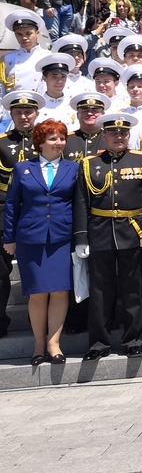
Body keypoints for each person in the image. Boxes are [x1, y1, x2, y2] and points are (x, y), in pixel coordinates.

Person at [74, 113, 142, 360]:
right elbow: (81, 201)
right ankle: (98, 343)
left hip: (132, 231)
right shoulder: (89, 163)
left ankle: (133, 340)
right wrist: (81, 237)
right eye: (113, 133)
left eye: (123, 133)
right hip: (99, 230)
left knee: (132, 289)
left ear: (128, 135)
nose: (118, 137)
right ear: (104, 135)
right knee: (100, 290)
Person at [3, 119, 77, 364]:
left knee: (59, 290)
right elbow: (12, 205)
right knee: (37, 293)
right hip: (31, 238)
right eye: (53, 139)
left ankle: (54, 344)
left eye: (62, 138)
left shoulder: (73, 168)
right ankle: (37, 345)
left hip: (62, 236)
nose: (59, 143)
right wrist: (9, 238)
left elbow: (79, 204)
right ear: (40, 142)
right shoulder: (23, 168)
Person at [0, 90, 43, 337]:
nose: (24, 116)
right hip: (4, 212)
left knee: (38, 269)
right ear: (11, 114)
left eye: (28, 112)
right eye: (18, 112)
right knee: (1, 273)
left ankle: (37, 320)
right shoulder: (1, 142)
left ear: (36, 113)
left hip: (37, 214)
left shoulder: (48, 140)